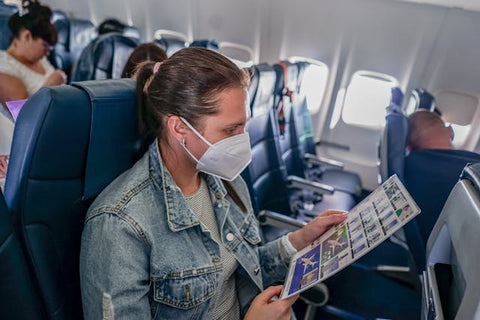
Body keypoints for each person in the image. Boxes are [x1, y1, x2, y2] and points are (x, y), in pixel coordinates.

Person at [80, 47, 347, 319]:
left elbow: (242, 268)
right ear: (179, 128)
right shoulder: (120, 223)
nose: (243, 140)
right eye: (230, 130)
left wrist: (297, 241)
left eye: (243, 126)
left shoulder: (226, 182)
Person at [0, 0, 66, 103]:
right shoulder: (3, 67)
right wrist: (51, 85)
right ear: (27, 36)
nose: (47, 53)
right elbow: (23, 115)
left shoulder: (40, 59)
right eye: (45, 46)